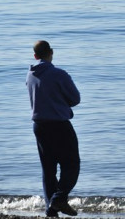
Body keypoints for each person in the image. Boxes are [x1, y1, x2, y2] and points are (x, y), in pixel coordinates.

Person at [26, 40, 81, 217]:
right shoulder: (59, 74)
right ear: (52, 52)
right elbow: (75, 99)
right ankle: (59, 198)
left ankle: (51, 209)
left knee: (48, 169)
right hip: (59, 125)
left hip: (39, 126)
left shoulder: (30, 75)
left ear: (35, 56)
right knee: (72, 165)